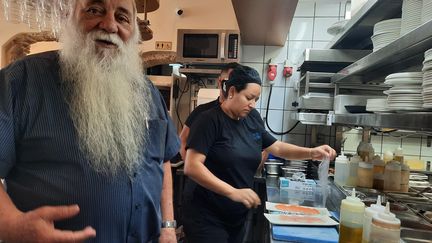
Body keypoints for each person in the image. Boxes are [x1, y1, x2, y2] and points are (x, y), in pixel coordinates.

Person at [0, 0, 180, 242]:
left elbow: (163, 161)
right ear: (69, 18)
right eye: (94, 10)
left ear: (133, 31)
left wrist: (168, 226)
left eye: (122, 17)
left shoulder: (147, 92)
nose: (109, 25)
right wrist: (11, 225)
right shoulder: (19, 82)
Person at [182, 65, 337, 243]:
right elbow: (192, 166)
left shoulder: (252, 118)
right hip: (206, 214)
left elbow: (276, 147)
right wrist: (233, 192)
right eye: (249, 98)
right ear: (232, 91)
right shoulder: (208, 120)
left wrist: (311, 152)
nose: (253, 104)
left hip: (235, 215)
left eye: (256, 99)